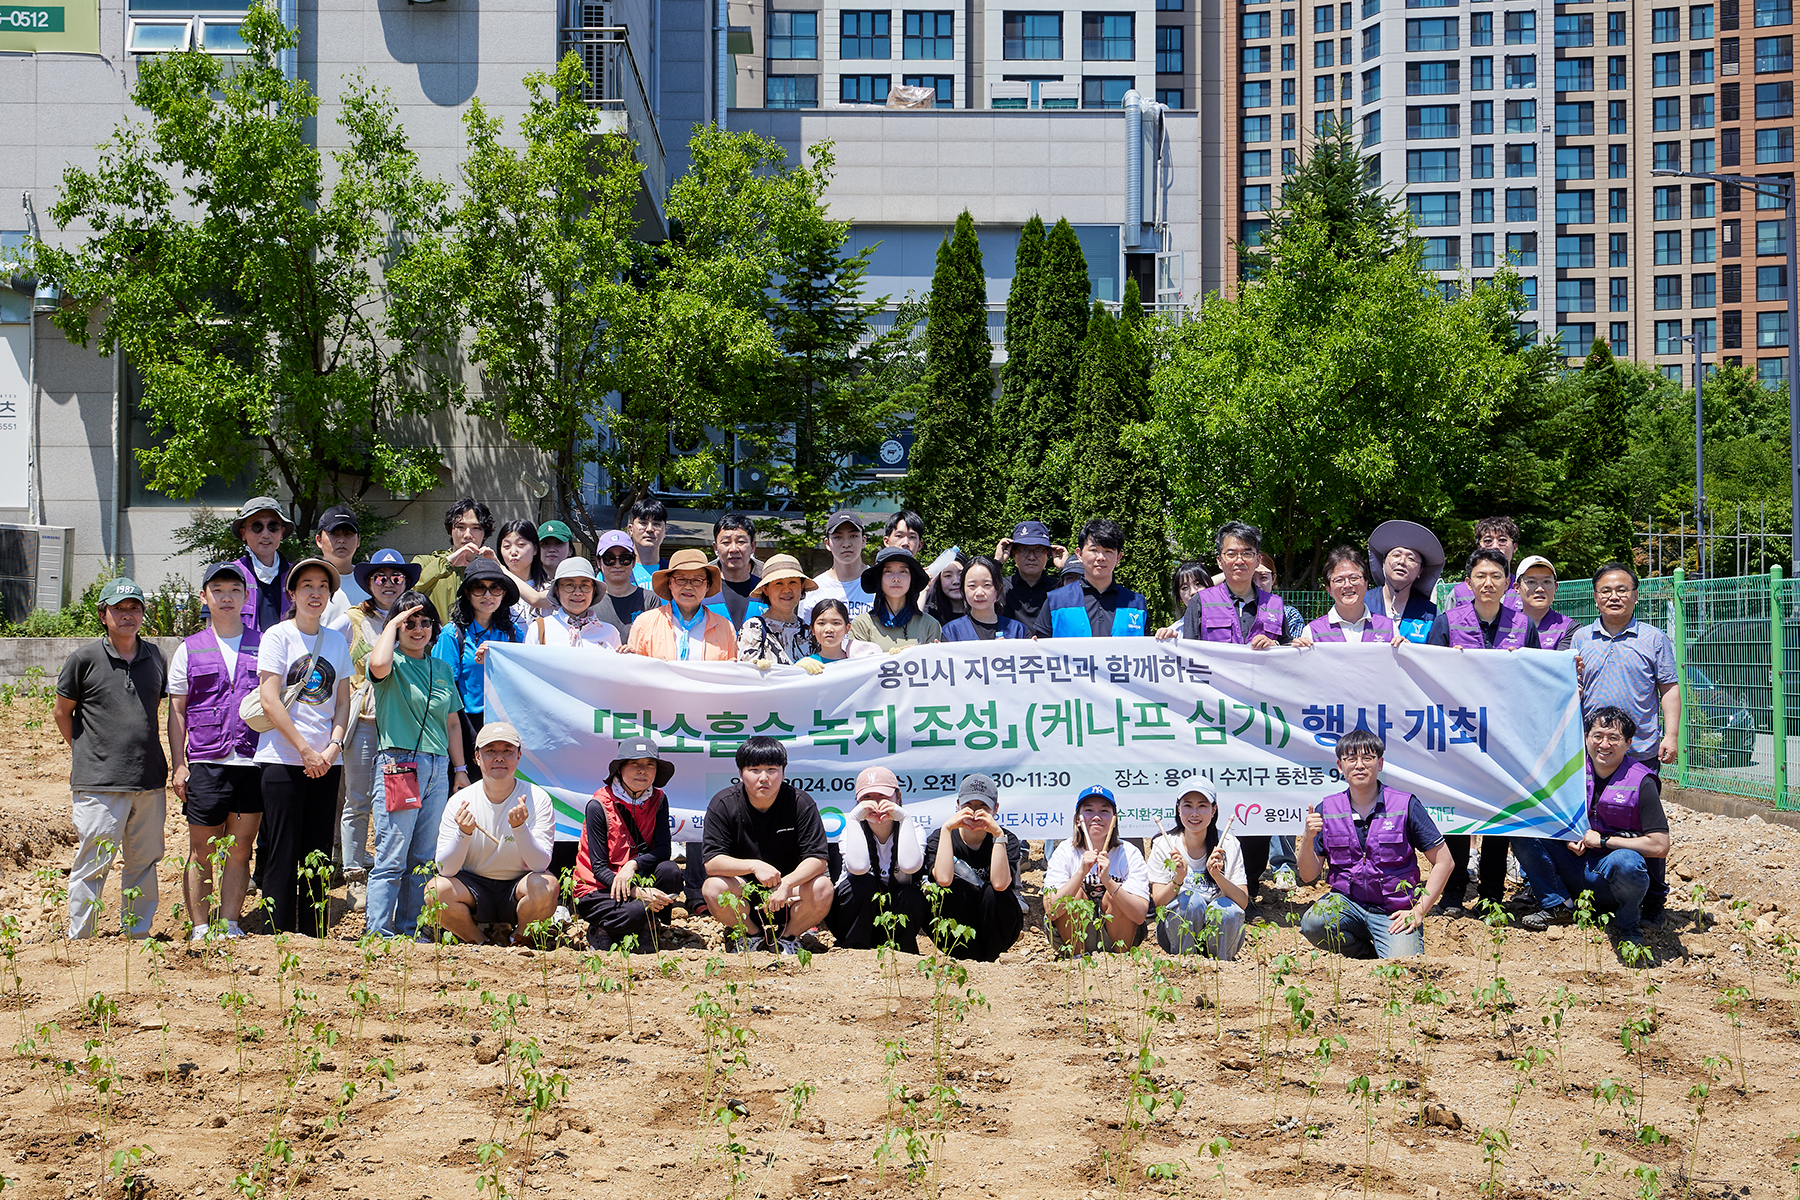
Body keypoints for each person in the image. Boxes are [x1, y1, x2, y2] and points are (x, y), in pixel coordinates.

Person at [1427, 548, 1539, 914]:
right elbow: (1427, 673)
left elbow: (1537, 677)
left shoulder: (1524, 625)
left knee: (1499, 814)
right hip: (1458, 736)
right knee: (1457, 816)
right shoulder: (1447, 622)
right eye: (1480, 576)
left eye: (1496, 576)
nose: (1488, 583)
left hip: (1505, 739)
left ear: (1508, 583)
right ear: (1468, 582)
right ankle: (1454, 893)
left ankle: (1492, 895)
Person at [55, 577, 168, 939]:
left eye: (134, 608)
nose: (127, 615)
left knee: (144, 863)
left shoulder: (156, 657)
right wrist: (87, 752)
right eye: (119, 609)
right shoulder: (84, 659)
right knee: (93, 863)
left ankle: (138, 934)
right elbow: (62, 712)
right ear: (103, 615)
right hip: (99, 782)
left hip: (149, 779)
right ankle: (82, 939)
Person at [1572, 562, 1680, 924]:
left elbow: (1669, 688)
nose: (1614, 596)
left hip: (1640, 750)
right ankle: (1598, 890)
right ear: (1596, 597)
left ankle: (1654, 901)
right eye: (1606, 590)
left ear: (1635, 596)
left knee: (1646, 827)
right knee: (1592, 818)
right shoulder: (1581, 639)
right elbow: (1571, 690)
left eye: (1622, 590)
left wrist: (1671, 735)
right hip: (1593, 751)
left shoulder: (1653, 639)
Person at [253, 558, 353, 937]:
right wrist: (304, 750)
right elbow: (269, 699)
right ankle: (275, 934)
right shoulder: (277, 636)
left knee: (318, 850)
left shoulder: (337, 641)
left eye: (323, 586)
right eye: (307, 585)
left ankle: (314, 936)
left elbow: (342, 701)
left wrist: (333, 747)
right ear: (292, 594)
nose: (316, 593)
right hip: (282, 759)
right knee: (283, 848)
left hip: (327, 761)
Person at [1513, 708, 1668, 952]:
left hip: (1610, 879)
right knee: (1523, 829)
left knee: (1628, 862)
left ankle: (1628, 925)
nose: (1604, 744)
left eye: (1614, 738)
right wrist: (1566, 837)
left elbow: (1659, 845)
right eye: (1597, 736)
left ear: (1628, 743)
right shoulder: (1570, 772)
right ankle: (1558, 904)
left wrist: (1604, 841)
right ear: (1585, 738)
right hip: (1572, 866)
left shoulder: (1642, 781)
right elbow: (1548, 815)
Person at [1296, 729, 1453, 959]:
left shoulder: (1404, 805)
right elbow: (1308, 875)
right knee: (1313, 923)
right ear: (1340, 766)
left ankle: (1388, 948)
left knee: (1402, 967)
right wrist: (1308, 838)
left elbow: (1445, 861)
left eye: (1367, 758)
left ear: (1380, 764)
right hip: (1347, 904)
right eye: (1351, 759)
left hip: (1393, 910)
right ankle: (1366, 955)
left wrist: (1418, 911)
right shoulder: (1327, 809)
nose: (1359, 765)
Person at [168, 563, 263, 940]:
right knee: (201, 850)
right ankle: (200, 927)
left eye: (235, 590)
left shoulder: (264, 643)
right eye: (218, 590)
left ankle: (230, 923)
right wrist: (179, 764)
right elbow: (177, 710)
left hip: (252, 761)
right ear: (204, 597)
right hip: (207, 762)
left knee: (241, 848)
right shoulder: (188, 649)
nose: (227, 598)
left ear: (246, 597)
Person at [366, 591, 466, 938]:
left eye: (425, 622)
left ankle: (411, 929)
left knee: (424, 856)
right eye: (409, 622)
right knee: (392, 853)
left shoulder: (442, 668)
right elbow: (378, 665)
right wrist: (392, 623)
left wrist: (460, 770)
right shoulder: (391, 661)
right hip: (399, 762)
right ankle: (378, 931)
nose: (418, 629)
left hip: (438, 767)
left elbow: (452, 723)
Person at [334, 548, 418, 910]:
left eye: (396, 577)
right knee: (358, 799)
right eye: (380, 577)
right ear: (369, 583)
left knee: (398, 801)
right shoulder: (352, 620)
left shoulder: (416, 618)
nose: (388, 583)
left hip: (402, 726)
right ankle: (354, 875)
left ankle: (391, 874)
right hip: (366, 722)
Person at [427, 721, 557, 945]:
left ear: (518, 756)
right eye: (490, 751)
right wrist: (463, 833)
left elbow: (539, 865)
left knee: (547, 886)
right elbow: (445, 869)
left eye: (507, 751)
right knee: (435, 890)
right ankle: (479, 943)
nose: (499, 758)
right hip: (472, 888)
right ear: (477, 757)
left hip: (518, 885)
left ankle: (517, 942)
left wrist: (520, 828)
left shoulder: (538, 798)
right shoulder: (459, 802)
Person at [701, 737, 834, 954]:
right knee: (713, 887)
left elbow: (817, 859)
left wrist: (786, 884)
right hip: (744, 893)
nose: (763, 778)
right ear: (741, 773)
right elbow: (712, 862)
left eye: (772, 769)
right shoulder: (723, 803)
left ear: (783, 773)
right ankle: (751, 935)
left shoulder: (800, 802)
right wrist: (754, 866)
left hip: (789, 895)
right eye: (754, 770)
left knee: (823, 888)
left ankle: (787, 938)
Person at [572, 736, 685, 951]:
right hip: (599, 887)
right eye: (634, 763)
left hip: (634, 876)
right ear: (620, 769)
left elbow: (663, 850)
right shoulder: (598, 805)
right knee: (636, 910)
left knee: (670, 872)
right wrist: (637, 892)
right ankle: (606, 927)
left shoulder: (659, 799)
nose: (642, 770)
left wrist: (633, 865)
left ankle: (647, 922)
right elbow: (598, 868)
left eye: (650, 764)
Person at [432, 557, 523, 775]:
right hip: (465, 725)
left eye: (496, 588)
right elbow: (443, 690)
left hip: (505, 723)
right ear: (467, 593)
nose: (488, 595)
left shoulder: (514, 634)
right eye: (479, 588)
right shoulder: (452, 634)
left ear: (504, 594)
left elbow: (521, 681)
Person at [824, 766, 929, 952]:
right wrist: (854, 818)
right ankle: (854, 948)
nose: (876, 805)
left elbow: (910, 865)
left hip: (892, 918)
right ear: (857, 802)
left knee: (910, 895)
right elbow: (858, 868)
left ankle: (902, 952)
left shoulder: (913, 829)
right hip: (851, 918)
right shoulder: (851, 830)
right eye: (867, 798)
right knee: (862, 883)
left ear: (898, 798)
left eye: (883, 797)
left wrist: (904, 818)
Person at [923, 774, 1026, 961]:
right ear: (958, 806)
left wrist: (998, 835)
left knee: (992, 893)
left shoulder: (1007, 839)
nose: (974, 813)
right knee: (953, 888)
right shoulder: (940, 838)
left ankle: (990, 959)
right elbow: (943, 879)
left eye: (983, 807)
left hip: (996, 925)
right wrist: (947, 829)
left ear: (995, 809)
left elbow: (1000, 884)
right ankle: (964, 957)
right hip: (958, 920)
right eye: (968, 806)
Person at [1146, 780, 1249, 959]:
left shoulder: (1229, 844)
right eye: (1188, 805)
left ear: (1213, 810)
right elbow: (1159, 903)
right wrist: (1178, 878)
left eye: (1202, 806)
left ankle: (1221, 966)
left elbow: (1242, 902)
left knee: (1227, 910)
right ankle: (1186, 963)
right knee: (1191, 902)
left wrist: (1218, 876)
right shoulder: (1163, 843)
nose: (1194, 813)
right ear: (1178, 808)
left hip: (1221, 934)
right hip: (1174, 934)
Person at [1044, 785, 1150, 953]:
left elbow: (1139, 915)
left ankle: (1119, 961)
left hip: (1120, 936)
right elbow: (1051, 911)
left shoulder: (1129, 853)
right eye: (1089, 810)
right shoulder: (1065, 851)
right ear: (1078, 819)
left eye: (1104, 811)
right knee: (1074, 896)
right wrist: (1081, 873)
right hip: (1072, 937)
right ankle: (1078, 958)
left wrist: (1109, 882)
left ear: (1114, 820)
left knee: (1115, 896)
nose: (1096, 817)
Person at [1169, 520, 1288, 646]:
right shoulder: (1200, 602)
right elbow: (1188, 651)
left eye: (1247, 554)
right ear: (1220, 561)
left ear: (1257, 560)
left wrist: (1275, 646)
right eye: (1231, 554)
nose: (1239, 561)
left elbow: (1288, 649)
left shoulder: (1274, 604)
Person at [1031, 519, 1149, 638]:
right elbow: (1041, 646)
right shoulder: (1056, 600)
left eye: (1108, 551)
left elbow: (1146, 646)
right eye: (1094, 550)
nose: (1101, 557)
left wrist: (1160, 639)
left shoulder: (1136, 604)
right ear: (1079, 554)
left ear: (1118, 557)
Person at [626, 548, 740, 660]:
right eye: (681, 579)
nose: (688, 587)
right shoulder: (645, 623)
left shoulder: (725, 627)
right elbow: (634, 667)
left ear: (707, 586)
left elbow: (731, 668)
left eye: (697, 580)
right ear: (670, 583)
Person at [414, 499, 496, 625]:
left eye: (475, 528)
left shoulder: (489, 569)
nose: (467, 535)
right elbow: (410, 590)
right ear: (450, 531)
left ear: (485, 534)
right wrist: (448, 562)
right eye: (460, 527)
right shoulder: (425, 562)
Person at [1300, 547, 1405, 645]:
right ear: (1329, 590)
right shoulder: (1313, 633)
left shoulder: (1389, 629)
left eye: (1354, 578)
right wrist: (1298, 652)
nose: (1347, 585)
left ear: (1365, 584)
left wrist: (1406, 650)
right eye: (1339, 580)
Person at [1365, 520, 1446, 645]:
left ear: (1420, 571)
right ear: (1383, 563)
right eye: (1396, 555)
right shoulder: (1362, 604)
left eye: (1411, 559)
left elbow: (1437, 653)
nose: (1402, 561)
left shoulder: (1430, 614)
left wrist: (1412, 651)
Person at [850, 547, 944, 649]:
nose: (896, 579)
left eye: (903, 571)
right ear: (879, 578)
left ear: (911, 578)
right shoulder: (862, 624)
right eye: (888, 571)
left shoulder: (929, 625)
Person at [227, 496, 295, 634]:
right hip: (244, 648)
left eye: (273, 527)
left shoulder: (296, 575)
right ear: (243, 533)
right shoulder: (229, 575)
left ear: (281, 533)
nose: (265, 534)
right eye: (257, 527)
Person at [525, 558, 623, 650]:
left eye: (585, 586)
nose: (578, 593)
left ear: (593, 590)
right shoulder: (540, 629)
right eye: (569, 585)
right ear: (557, 590)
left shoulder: (609, 632)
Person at [739, 554, 818, 665]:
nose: (786, 590)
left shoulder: (807, 631)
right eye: (778, 583)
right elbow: (747, 670)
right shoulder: (754, 628)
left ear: (802, 587)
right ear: (766, 589)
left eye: (793, 582)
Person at [802, 510, 874, 622]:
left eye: (853, 536)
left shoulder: (880, 584)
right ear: (827, 543)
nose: (846, 544)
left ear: (863, 541)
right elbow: (806, 631)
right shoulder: (814, 589)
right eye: (837, 537)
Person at [592, 529, 663, 642]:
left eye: (625, 558)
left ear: (634, 561)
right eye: (609, 559)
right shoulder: (590, 601)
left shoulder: (650, 600)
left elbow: (656, 641)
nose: (617, 565)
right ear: (598, 562)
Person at [995, 520, 1065, 630]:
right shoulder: (1001, 588)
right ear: (1013, 554)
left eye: (1038, 550)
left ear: (1048, 553)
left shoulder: (1059, 588)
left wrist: (1065, 569)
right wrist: (997, 563)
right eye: (1024, 550)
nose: (1031, 557)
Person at [943, 555, 1028, 641]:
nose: (979, 593)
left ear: (998, 589)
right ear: (963, 589)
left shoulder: (1019, 631)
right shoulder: (951, 632)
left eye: (987, 585)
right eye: (972, 585)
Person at [705, 513, 766, 630]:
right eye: (726, 542)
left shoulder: (765, 591)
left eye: (741, 542)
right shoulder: (704, 591)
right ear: (715, 548)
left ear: (753, 546)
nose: (733, 549)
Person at [1449, 517, 1523, 609]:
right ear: (1479, 548)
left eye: (1502, 540)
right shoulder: (1459, 593)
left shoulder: (1525, 590)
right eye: (1488, 541)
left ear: (1514, 547)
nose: (1495, 546)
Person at [314, 505, 367, 629]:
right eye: (334, 534)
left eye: (348, 534)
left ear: (358, 540)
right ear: (319, 540)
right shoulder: (306, 582)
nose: (341, 540)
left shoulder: (369, 582)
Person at [1514, 555, 1579, 649]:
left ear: (1556, 587)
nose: (1540, 589)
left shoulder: (1569, 628)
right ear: (1517, 587)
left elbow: (1562, 658)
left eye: (1546, 582)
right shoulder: (1503, 625)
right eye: (1531, 582)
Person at [799, 598, 879, 670]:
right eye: (821, 623)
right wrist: (798, 668)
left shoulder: (859, 663)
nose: (829, 629)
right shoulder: (805, 665)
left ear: (847, 628)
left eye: (836, 623)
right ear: (812, 630)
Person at [495, 518, 551, 622]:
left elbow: (536, 600)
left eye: (521, 544)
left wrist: (501, 569)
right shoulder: (494, 587)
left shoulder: (551, 587)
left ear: (535, 549)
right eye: (506, 546)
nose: (513, 552)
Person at [1153, 561, 1212, 639]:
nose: (1193, 592)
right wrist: (1167, 639)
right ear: (1180, 598)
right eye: (1185, 588)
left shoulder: (1226, 618)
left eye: (1198, 584)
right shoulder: (1176, 632)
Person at [624, 498, 670, 589]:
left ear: (665, 531)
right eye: (643, 523)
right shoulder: (614, 571)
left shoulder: (674, 572)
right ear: (630, 529)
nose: (650, 529)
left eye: (656, 524)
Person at [923, 549, 970, 627]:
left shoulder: (980, 614)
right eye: (948, 576)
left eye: (961, 574)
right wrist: (925, 590)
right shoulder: (930, 615)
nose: (956, 581)